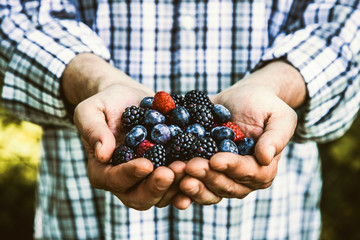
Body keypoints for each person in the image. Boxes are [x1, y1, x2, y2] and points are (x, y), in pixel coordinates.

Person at [1, 0, 360, 239]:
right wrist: (94, 81)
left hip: (270, 224)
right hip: (84, 221)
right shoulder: (158, 127)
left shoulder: (197, 128)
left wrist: (277, 86)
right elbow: (13, 13)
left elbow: (346, 22)